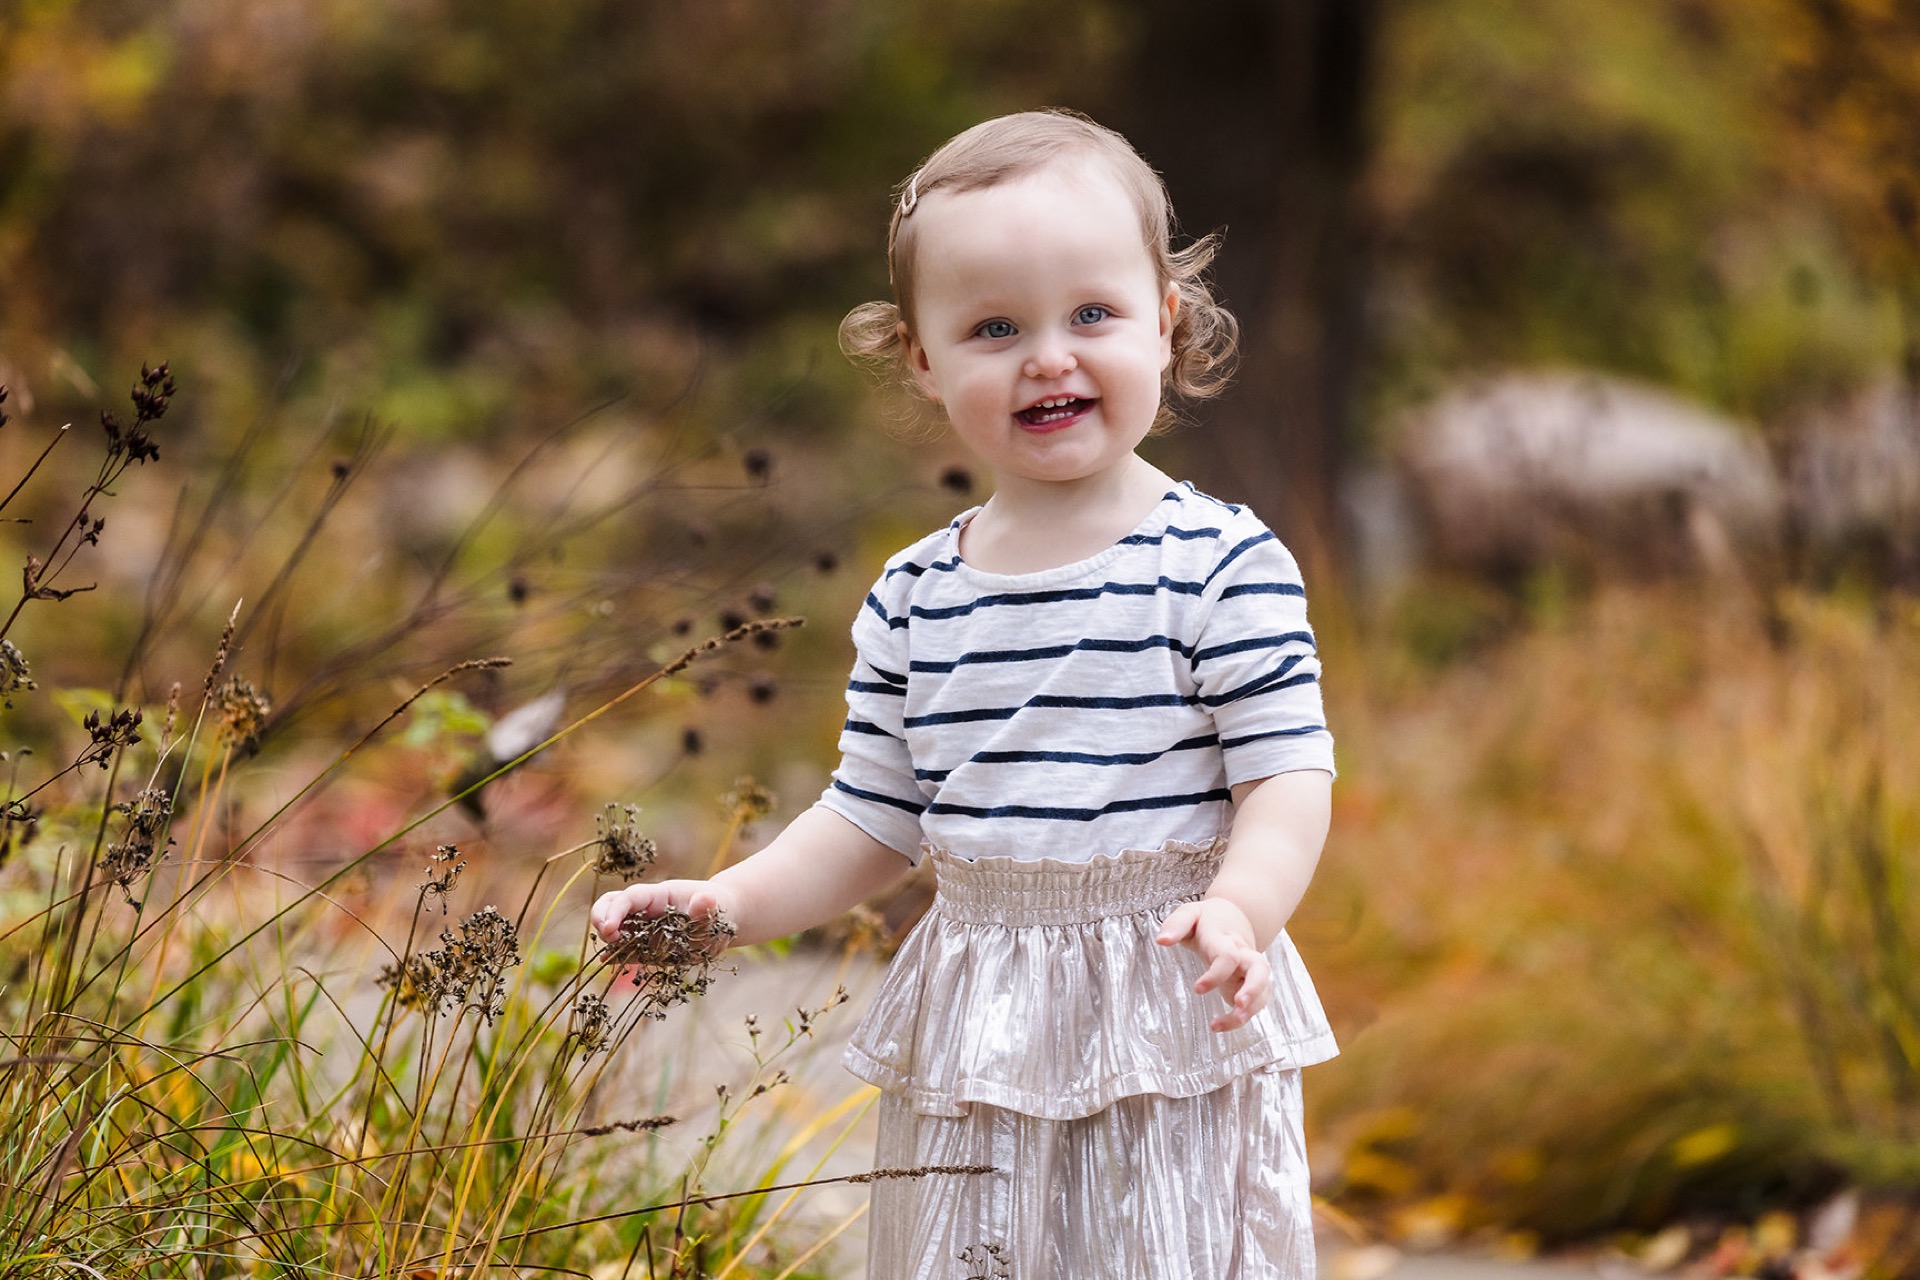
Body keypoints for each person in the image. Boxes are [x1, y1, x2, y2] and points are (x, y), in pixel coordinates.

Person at [592, 108, 1337, 1280]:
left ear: (1166, 323)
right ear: (926, 362)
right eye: (995, 326)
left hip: (1169, 1004)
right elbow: (871, 819)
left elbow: (1287, 776)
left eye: (1092, 313)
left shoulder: (1218, 563)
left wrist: (1243, 908)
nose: (1049, 355)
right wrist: (722, 907)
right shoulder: (917, 594)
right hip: (980, 1022)